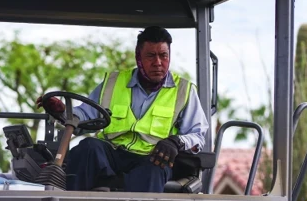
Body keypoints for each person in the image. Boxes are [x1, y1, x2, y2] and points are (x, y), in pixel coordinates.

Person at [37, 26, 208, 192]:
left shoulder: (184, 90)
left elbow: (198, 135)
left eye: (163, 56)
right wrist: (62, 112)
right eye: (151, 56)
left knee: (153, 170)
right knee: (87, 147)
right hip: (112, 152)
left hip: (151, 157)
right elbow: (84, 116)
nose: (158, 63)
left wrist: (175, 142)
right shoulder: (113, 83)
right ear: (138, 57)